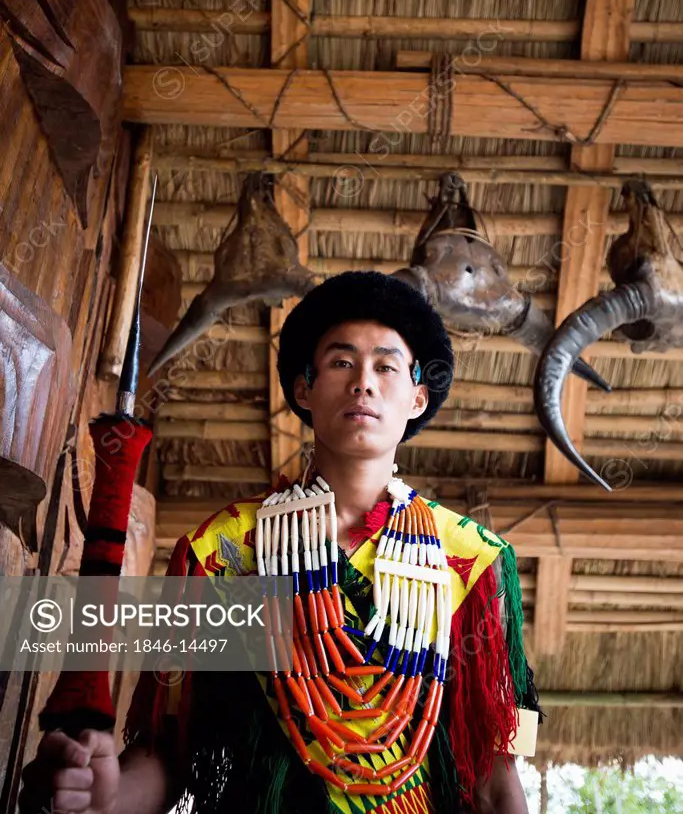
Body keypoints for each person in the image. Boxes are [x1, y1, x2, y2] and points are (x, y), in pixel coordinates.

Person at [19, 271, 542, 814]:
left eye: (386, 366)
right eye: (341, 362)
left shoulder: (476, 565)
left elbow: (495, 775)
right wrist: (104, 799)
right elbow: (168, 751)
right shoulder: (220, 554)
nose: (363, 382)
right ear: (303, 389)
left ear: (416, 398)